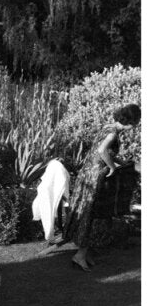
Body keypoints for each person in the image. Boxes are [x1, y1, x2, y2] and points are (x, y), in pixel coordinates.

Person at [63, 103, 141, 272]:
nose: (134, 127)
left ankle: (84, 253)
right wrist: (112, 167)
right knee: (90, 214)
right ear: (131, 121)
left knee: (89, 213)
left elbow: (107, 153)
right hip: (95, 176)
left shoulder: (108, 127)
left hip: (88, 173)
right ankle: (80, 256)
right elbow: (101, 151)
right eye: (135, 123)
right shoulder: (113, 134)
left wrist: (120, 162)